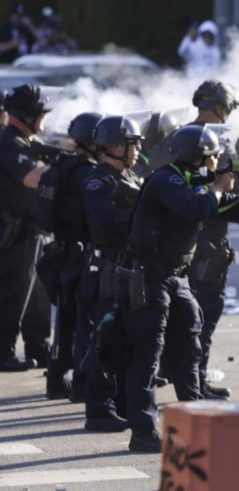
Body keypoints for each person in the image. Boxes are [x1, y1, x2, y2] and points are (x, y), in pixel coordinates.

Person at [123, 124, 239, 452]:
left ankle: (193, 420)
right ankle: (142, 432)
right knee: (147, 355)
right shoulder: (167, 180)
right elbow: (197, 208)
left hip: (176, 277)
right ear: (199, 157)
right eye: (213, 157)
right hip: (149, 275)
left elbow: (238, 209)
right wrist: (220, 186)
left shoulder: (199, 184)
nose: (217, 163)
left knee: (189, 348)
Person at [141, 79, 239, 400]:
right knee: (202, 316)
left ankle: (176, 373)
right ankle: (194, 382)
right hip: (208, 240)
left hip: (176, 243)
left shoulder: (177, 138)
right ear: (221, 107)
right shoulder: (220, 142)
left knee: (179, 317)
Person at [80, 115, 145, 433]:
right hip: (106, 268)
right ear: (116, 146)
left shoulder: (131, 176)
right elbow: (107, 220)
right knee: (104, 340)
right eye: (133, 143)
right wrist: (142, 214)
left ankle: (119, 402)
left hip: (128, 267)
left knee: (125, 338)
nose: (138, 149)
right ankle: (99, 410)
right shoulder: (99, 180)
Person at [41, 112, 102, 400]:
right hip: (82, 254)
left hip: (62, 251)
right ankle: (81, 384)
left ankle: (56, 380)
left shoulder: (62, 165)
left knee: (65, 319)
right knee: (85, 322)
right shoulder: (88, 174)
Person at [0, 85, 53, 371]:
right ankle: (4, 352)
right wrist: (63, 168)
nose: (44, 118)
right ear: (27, 115)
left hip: (35, 230)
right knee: (13, 293)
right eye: (40, 113)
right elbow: (32, 178)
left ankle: (39, 348)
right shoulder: (8, 143)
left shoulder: (25, 142)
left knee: (39, 296)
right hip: (15, 232)